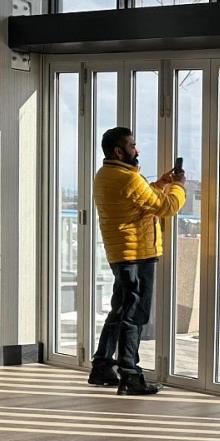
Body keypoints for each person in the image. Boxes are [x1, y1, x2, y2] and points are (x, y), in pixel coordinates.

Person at [88, 126, 187, 395]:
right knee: (134, 315)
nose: (137, 149)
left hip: (121, 254)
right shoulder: (128, 178)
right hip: (137, 255)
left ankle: (102, 366)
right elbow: (165, 207)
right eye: (132, 145)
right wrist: (178, 186)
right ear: (119, 151)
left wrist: (161, 183)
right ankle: (130, 375)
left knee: (120, 310)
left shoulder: (106, 174)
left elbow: (138, 199)